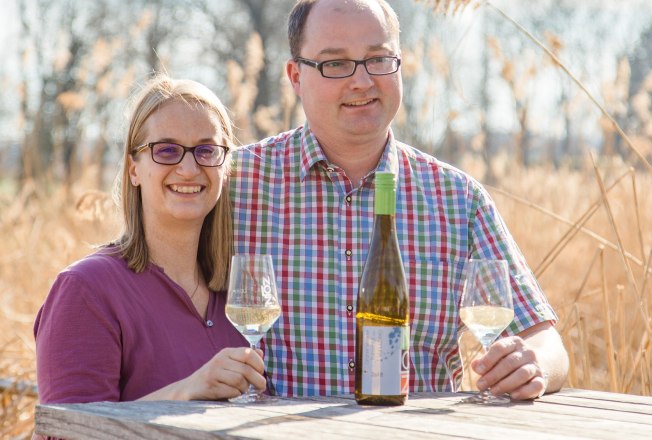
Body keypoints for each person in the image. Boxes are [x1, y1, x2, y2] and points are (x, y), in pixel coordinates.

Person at [232, 0, 569, 400]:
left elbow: (547, 345)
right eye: (335, 64)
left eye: (378, 59)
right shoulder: (236, 184)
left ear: (400, 65)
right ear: (295, 76)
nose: (361, 81)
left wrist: (532, 366)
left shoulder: (457, 199)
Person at [34, 75, 267, 404]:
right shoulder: (86, 290)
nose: (188, 168)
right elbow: (67, 432)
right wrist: (184, 393)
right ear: (134, 169)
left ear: (225, 167)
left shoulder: (236, 295)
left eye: (206, 150)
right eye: (167, 150)